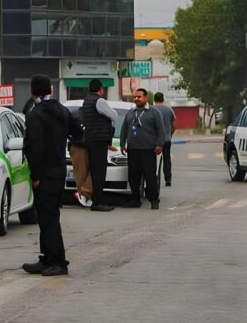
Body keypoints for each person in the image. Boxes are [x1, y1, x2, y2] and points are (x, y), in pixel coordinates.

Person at [22, 75, 82, 276]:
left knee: (48, 219)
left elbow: (34, 146)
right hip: (59, 170)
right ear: (51, 91)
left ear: (32, 92)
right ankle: (47, 258)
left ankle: (58, 261)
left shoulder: (35, 114)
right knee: (49, 217)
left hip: (44, 173)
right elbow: (78, 133)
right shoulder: (63, 110)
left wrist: (36, 174)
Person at [118, 88, 166, 209]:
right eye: (135, 97)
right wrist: (122, 144)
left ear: (145, 98)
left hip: (148, 150)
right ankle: (135, 199)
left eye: (139, 97)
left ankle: (154, 200)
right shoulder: (130, 112)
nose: (136, 99)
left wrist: (159, 145)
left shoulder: (154, 113)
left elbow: (161, 130)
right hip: (133, 150)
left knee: (150, 177)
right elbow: (124, 129)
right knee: (133, 176)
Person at [80, 79, 117, 212]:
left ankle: (97, 199)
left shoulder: (86, 100)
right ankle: (97, 202)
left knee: (95, 170)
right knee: (99, 172)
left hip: (90, 139)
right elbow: (114, 116)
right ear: (101, 89)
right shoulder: (99, 101)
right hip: (98, 140)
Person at [153, 92, 177, 186]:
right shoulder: (169, 109)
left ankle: (153, 178)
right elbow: (174, 125)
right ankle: (168, 179)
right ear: (163, 99)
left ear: (154, 100)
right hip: (166, 139)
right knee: (167, 158)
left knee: (153, 160)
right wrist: (169, 134)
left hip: (154, 140)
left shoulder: (151, 110)